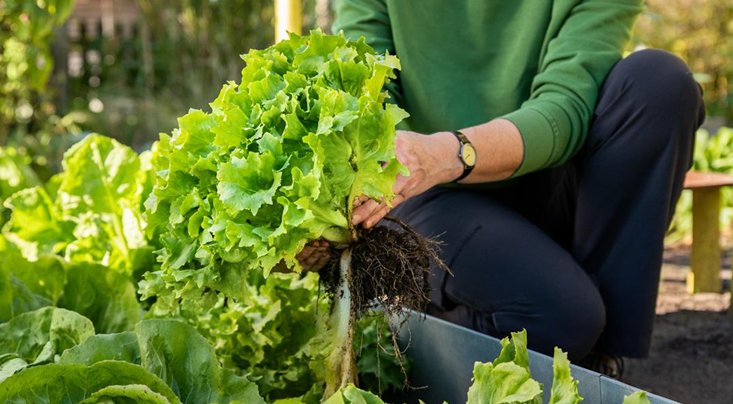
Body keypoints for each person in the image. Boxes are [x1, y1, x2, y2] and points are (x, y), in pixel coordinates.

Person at [299, 0, 706, 379]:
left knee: (659, 85)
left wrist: (447, 152)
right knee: (563, 317)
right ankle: (399, 335)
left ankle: (598, 358)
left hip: (532, 172)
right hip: (420, 189)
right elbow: (364, 91)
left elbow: (564, 106)